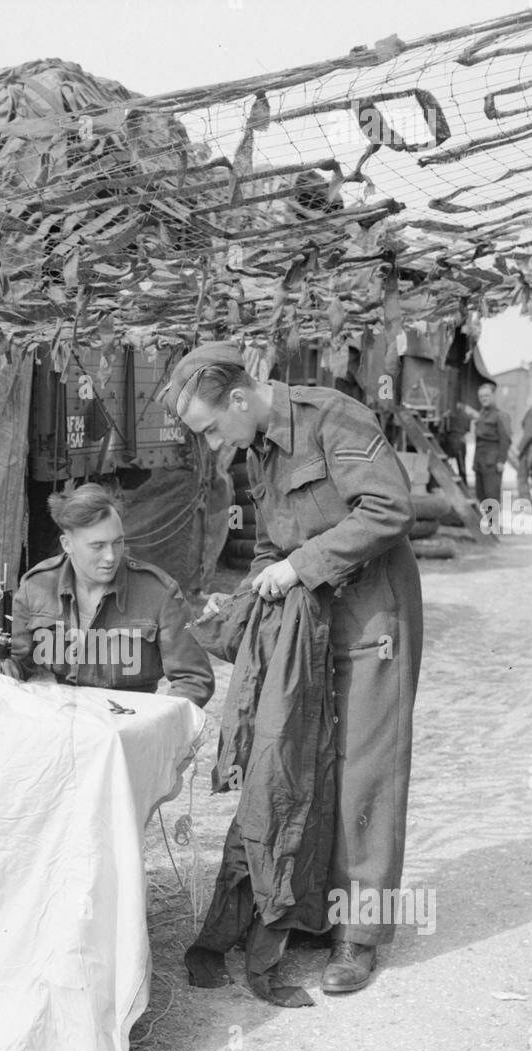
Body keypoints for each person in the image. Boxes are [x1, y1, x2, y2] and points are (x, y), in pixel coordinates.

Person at [165, 344, 423, 997]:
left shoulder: (331, 417)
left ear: (242, 399)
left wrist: (300, 565)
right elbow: (270, 546)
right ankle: (311, 911)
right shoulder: (258, 449)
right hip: (307, 625)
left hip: (371, 620)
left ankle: (357, 938)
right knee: (305, 761)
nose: (213, 444)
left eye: (210, 427)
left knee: (364, 774)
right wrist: (250, 589)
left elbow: (388, 508)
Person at [2, 483, 214, 707]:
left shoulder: (159, 593)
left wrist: (154, 722)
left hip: (129, 725)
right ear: (67, 544)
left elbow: (194, 678)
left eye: (118, 542)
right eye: (98, 546)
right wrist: (4, 668)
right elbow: (17, 659)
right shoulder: (37, 587)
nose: (111, 556)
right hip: (61, 720)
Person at [465, 383, 511, 504]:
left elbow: (506, 439)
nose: (484, 399)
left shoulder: (500, 416)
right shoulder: (481, 415)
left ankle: (493, 523)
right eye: (481, 397)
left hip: (492, 462)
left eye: (487, 395)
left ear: (493, 396)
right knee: (481, 495)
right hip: (479, 461)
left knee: (492, 495)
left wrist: (501, 461)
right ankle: (485, 522)